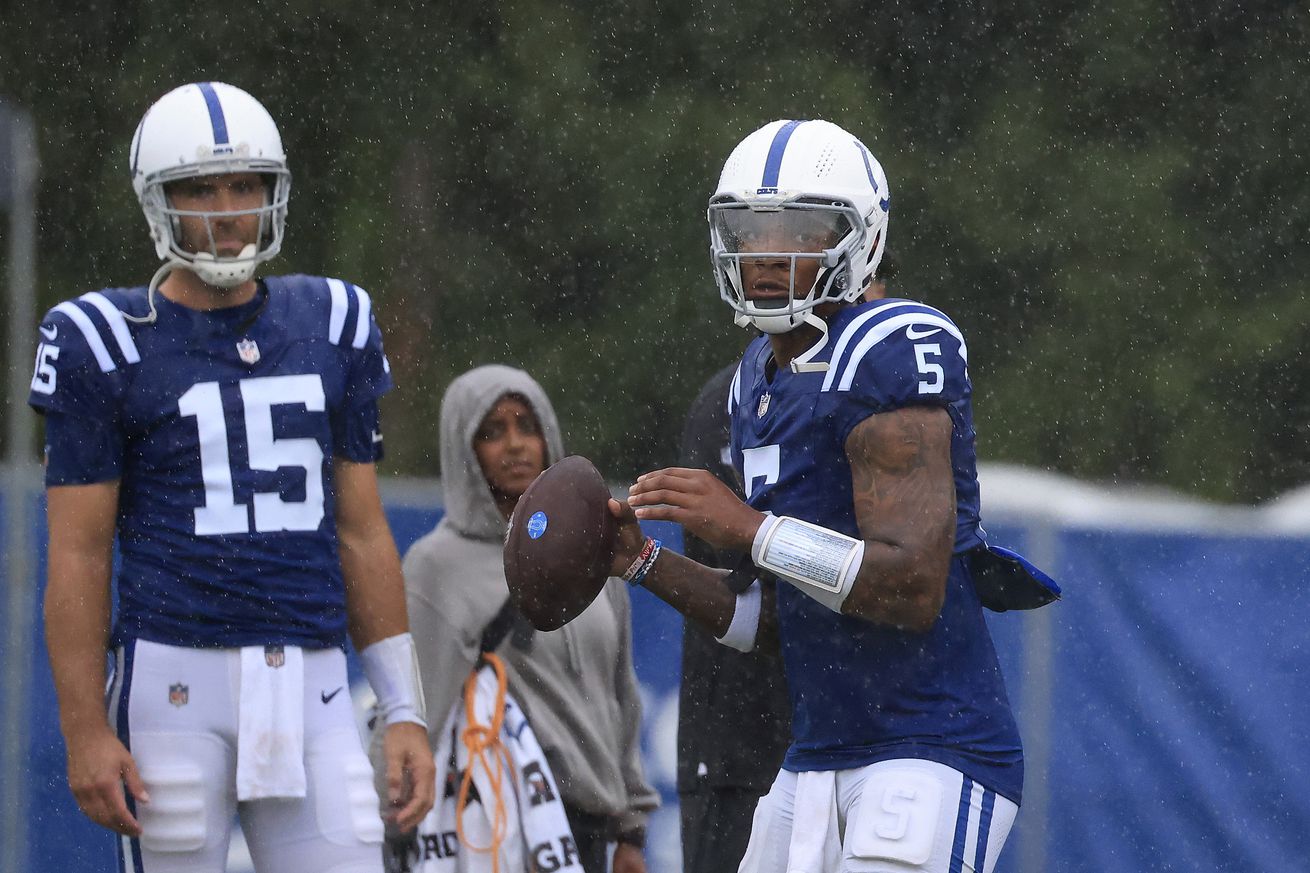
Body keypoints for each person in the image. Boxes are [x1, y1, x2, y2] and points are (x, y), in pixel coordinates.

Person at [613, 119, 1057, 873]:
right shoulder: (756, 378)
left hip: (929, 747)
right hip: (816, 755)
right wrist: (643, 560)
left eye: (801, 230)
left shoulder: (889, 345)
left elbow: (913, 584)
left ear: (863, 240)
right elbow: (769, 617)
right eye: (749, 231)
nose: (766, 253)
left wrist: (751, 527)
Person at [30, 82, 434, 873]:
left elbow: (361, 529)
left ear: (273, 193)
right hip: (172, 682)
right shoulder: (103, 339)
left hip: (312, 680)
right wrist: (84, 727)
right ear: (159, 203)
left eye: (244, 185)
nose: (225, 209)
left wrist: (406, 708)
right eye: (199, 189)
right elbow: (78, 553)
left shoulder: (333, 320)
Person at [675, 251, 898, 873]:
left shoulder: (899, 407)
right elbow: (757, 598)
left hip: (867, 740)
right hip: (746, 740)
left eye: (868, 291)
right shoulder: (734, 398)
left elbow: (910, 580)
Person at [386, 365, 657, 873]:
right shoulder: (437, 565)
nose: (514, 445)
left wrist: (630, 830)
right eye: (491, 432)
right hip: (506, 827)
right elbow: (415, 710)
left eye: (526, 425)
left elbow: (621, 696)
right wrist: (395, 825)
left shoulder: (595, 548)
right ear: (462, 448)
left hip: (594, 831)